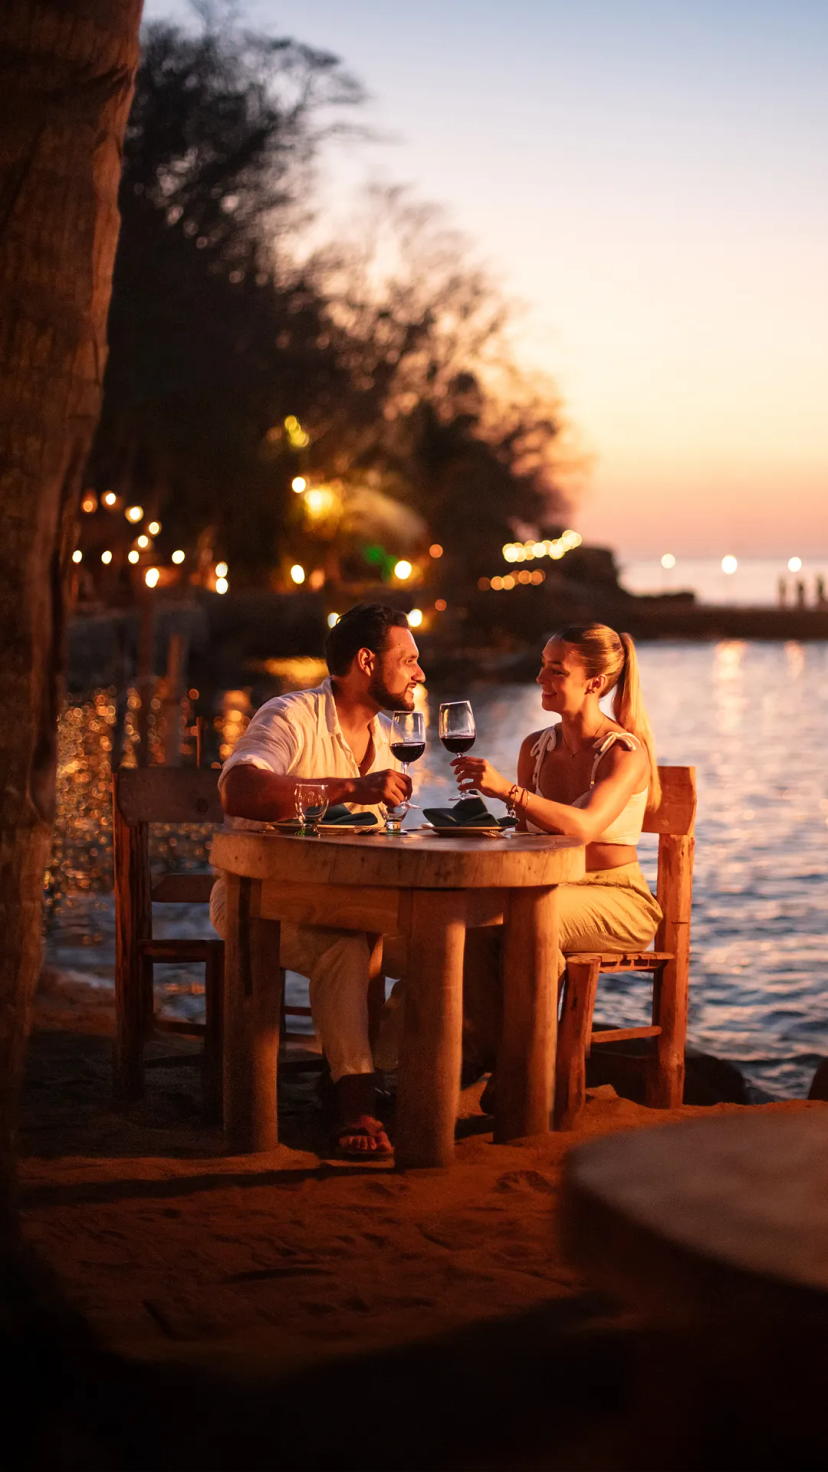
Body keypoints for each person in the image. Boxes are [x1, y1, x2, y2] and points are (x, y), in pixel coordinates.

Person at [210, 604, 424, 1158]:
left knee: (443, 947)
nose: (419, 673)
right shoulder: (291, 716)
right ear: (366, 661)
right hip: (259, 900)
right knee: (344, 948)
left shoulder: (389, 738)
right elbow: (240, 791)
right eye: (408, 660)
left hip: (350, 901)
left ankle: (376, 1071)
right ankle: (355, 1103)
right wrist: (348, 789)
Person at [452, 621, 663, 1078]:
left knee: (535, 919)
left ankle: (527, 1072)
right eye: (542, 666)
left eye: (556, 670)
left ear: (595, 683)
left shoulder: (625, 752)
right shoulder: (536, 748)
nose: (540, 678)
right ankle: (490, 1058)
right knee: (471, 919)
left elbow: (584, 827)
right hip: (546, 887)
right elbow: (526, 837)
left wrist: (508, 792)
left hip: (618, 897)